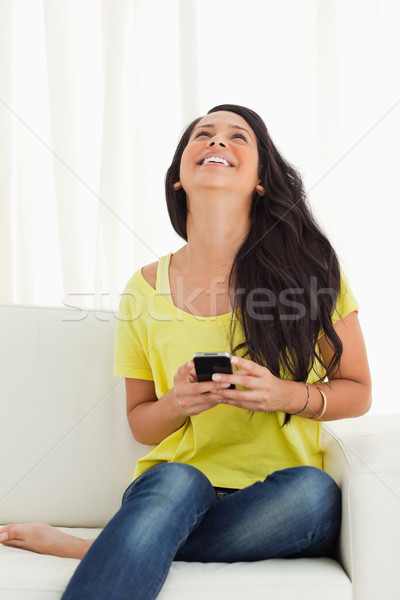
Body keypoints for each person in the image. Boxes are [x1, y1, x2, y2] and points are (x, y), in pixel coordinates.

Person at [0, 104, 372, 599]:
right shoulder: (143, 289)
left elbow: (359, 390)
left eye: (238, 136)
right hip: (171, 494)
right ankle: (133, 539)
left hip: (277, 500)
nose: (217, 142)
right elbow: (139, 423)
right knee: (178, 479)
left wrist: (284, 395)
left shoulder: (312, 274)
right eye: (204, 135)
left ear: (262, 179)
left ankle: (100, 547)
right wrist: (179, 403)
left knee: (315, 492)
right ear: (178, 177)